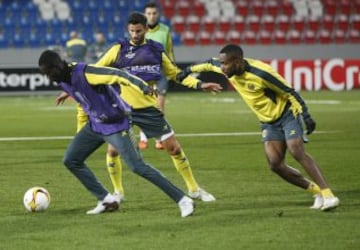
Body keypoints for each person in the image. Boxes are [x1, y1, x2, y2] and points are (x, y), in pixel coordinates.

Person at [177, 44, 340, 211]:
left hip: (286, 114)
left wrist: (306, 115)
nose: (223, 67)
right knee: (275, 164)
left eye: (226, 63)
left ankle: (328, 195)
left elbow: (289, 91)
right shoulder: (224, 67)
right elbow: (206, 64)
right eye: (222, 63)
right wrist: (186, 71)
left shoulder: (262, 72)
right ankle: (316, 191)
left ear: (238, 62)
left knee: (296, 150)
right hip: (267, 121)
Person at [83, 12, 221, 203]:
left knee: (173, 148)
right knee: (113, 151)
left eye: (138, 31)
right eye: (131, 31)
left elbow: (176, 74)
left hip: (149, 110)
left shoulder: (156, 50)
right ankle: (118, 192)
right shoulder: (118, 48)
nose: (134, 34)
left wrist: (199, 85)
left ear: (146, 29)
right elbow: (94, 71)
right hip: (123, 110)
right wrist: (73, 87)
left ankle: (194, 189)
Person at [38, 49, 195, 217]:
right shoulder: (62, 79)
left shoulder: (86, 72)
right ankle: (106, 200)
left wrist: (142, 86)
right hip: (95, 125)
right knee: (71, 159)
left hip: (116, 125)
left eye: (51, 72)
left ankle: (183, 199)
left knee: (138, 167)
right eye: (46, 74)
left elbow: (118, 74)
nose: (50, 77)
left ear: (59, 65)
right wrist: (67, 93)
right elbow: (79, 93)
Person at [139, 2, 175, 150]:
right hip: (143, 75)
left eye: (154, 13)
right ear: (144, 15)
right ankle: (143, 139)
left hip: (160, 74)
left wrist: (172, 70)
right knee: (143, 106)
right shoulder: (140, 30)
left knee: (159, 107)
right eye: (148, 13)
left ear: (158, 14)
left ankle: (159, 139)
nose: (151, 16)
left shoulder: (165, 30)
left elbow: (169, 52)